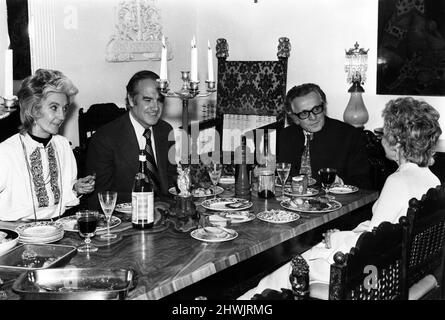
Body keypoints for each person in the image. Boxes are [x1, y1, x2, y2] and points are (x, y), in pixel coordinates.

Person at [239, 96, 442, 299]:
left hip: (368, 276)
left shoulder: (397, 181)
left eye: (385, 131)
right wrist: (343, 235)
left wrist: (336, 239)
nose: (381, 137)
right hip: (402, 269)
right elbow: (384, 231)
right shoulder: (432, 179)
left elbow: (371, 248)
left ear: (397, 143)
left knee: (279, 274)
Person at [0, 69, 95, 221]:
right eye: (54, 107)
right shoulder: (6, 152)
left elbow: (64, 195)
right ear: (34, 109)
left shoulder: (62, 145)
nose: (62, 116)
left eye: (65, 108)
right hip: (19, 234)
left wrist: (76, 188)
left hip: (60, 228)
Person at [86, 70, 176, 209]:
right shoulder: (105, 138)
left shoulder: (165, 130)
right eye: (147, 100)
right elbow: (100, 196)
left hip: (166, 214)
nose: (155, 107)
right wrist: (149, 202)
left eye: (160, 100)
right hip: (126, 218)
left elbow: (171, 177)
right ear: (131, 100)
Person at [277, 83, 372, 189]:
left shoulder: (349, 135)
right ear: (294, 117)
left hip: (337, 202)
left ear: (324, 107)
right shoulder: (286, 135)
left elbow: (364, 183)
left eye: (316, 109)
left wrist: (340, 183)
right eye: (304, 114)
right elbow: (282, 177)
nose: (313, 117)